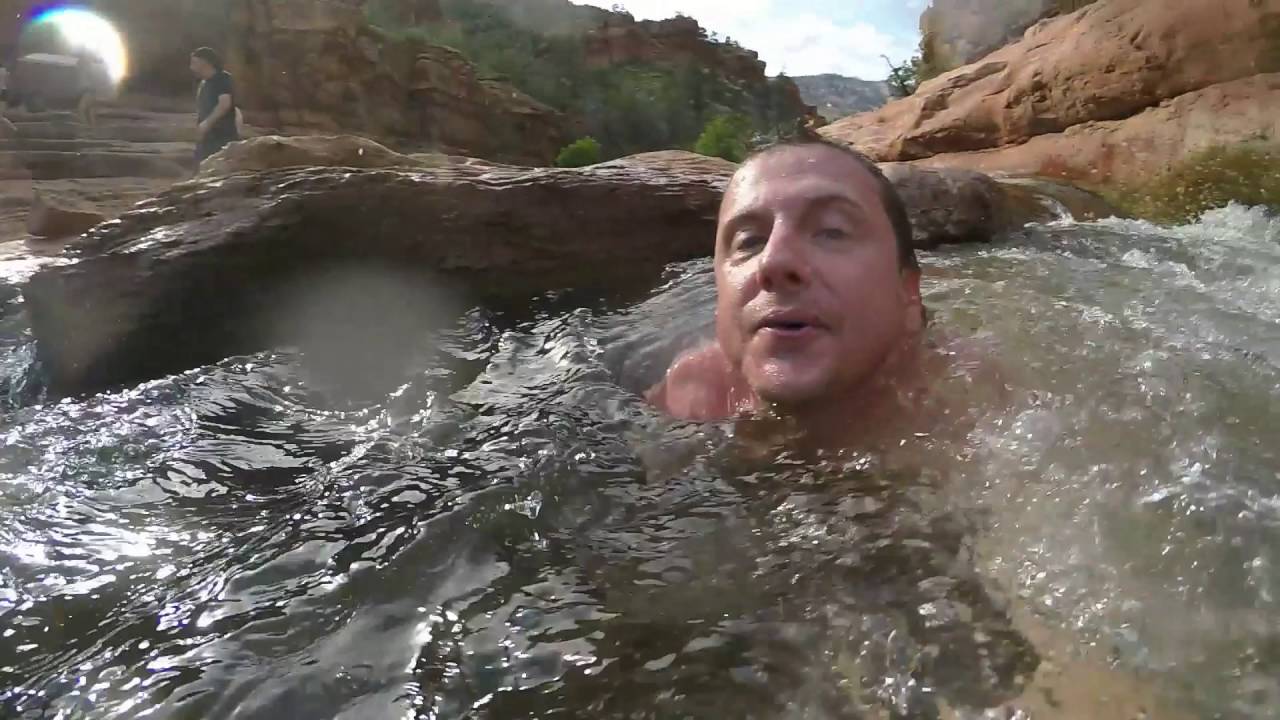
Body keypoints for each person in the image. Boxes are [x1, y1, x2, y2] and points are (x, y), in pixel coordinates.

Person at [647, 139, 931, 444]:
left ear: (908, 294)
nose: (773, 262)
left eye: (832, 231)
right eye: (749, 241)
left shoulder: (973, 405)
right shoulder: (686, 401)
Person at [189, 46, 239, 165]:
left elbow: (225, 104)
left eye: (194, 63)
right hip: (207, 138)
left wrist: (207, 123)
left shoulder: (222, 78)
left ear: (204, 62)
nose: (191, 67)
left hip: (221, 137)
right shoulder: (204, 83)